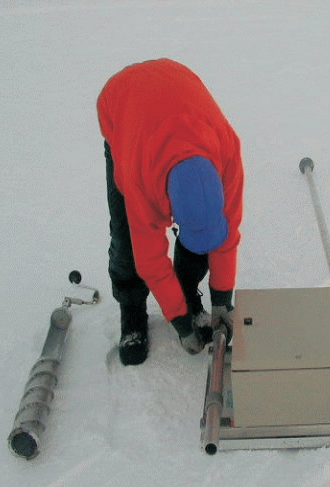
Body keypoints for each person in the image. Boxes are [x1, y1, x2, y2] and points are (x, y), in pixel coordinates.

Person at [96, 59, 243, 365]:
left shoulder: (227, 152)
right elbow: (150, 260)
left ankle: (187, 294)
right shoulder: (138, 178)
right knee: (126, 240)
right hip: (122, 107)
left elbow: (227, 236)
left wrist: (222, 300)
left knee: (203, 239)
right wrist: (180, 323)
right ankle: (131, 309)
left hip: (176, 83)